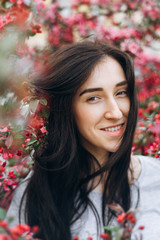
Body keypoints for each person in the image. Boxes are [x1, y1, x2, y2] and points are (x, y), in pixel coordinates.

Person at [6, 40, 160, 240]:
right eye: (93, 98)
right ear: (65, 108)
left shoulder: (155, 179)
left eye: (121, 92)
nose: (115, 112)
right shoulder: (36, 195)